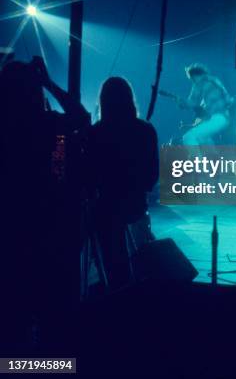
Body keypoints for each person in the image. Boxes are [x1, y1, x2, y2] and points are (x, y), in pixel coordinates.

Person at [0, 56, 90, 352]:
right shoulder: (49, 125)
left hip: (11, 230)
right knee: (56, 321)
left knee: (13, 321)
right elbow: (82, 116)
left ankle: (15, 367)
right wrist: (49, 82)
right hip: (51, 229)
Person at [85, 77, 159, 291]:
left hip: (106, 207)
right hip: (136, 206)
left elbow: (89, 177)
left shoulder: (95, 133)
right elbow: (151, 177)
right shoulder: (146, 130)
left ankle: (108, 282)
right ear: (130, 100)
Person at [181, 63, 233, 147]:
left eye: (192, 79)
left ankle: (199, 160)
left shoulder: (200, 83)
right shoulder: (214, 80)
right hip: (224, 117)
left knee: (188, 137)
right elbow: (227, 100)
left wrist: (181, 103)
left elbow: (191, 102)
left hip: (218, 118)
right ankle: (213, 156)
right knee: (203, 140)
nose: (192, 82)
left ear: (194, 75)